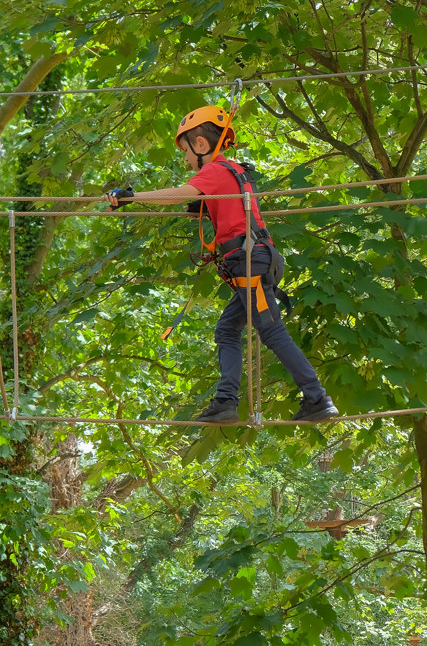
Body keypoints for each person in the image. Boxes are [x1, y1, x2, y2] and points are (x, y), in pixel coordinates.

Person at [106, 105, 338, 424]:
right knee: (227, 328)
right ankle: (226, 400)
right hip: (254, 260)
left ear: (201, 145)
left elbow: (177, 195)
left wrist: (132, 197)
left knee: (271, 331)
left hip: (250, 262)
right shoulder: (232, 173)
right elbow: (199, 204)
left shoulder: (214, 172)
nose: (186, 160)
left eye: (187, 151)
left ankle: (317, 398)